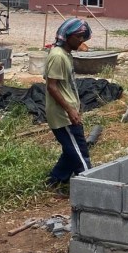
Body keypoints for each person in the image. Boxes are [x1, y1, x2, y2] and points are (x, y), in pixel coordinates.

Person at [44, 18, 93, 188]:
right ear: (67, 36)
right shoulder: (57, 56)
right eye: (78, 37)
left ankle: (55, 180)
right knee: (80, 156)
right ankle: (90, 188)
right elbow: (52, 86)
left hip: (68, 112)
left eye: (83, 37)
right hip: (63, 115)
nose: (81, 40)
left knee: (71, 150)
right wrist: (70, 110)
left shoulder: (65, 54)